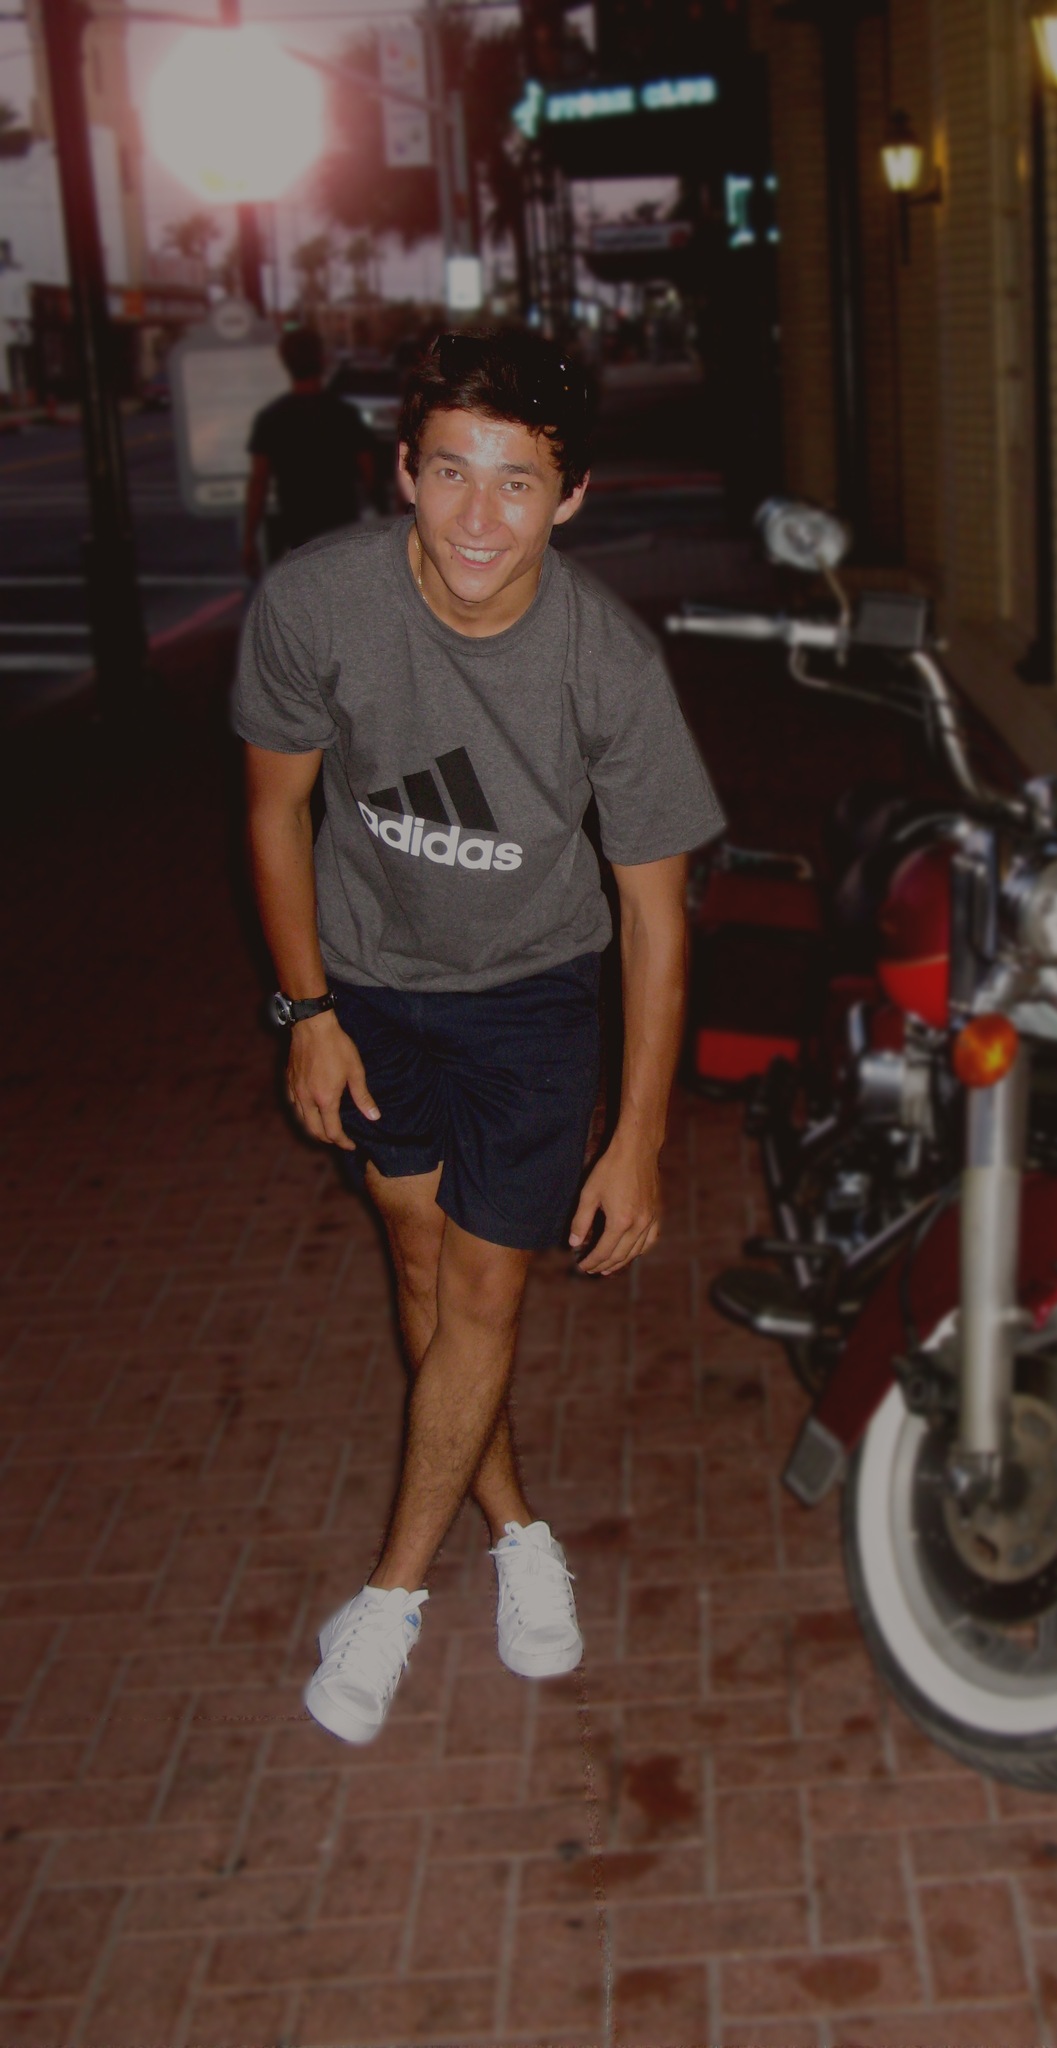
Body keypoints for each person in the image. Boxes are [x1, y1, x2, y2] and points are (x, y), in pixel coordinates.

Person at [232, 329, 725, 1745]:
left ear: (573, 497)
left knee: (486, 1294)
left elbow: (656, 919)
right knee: (423, 1266)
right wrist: (308, 1014)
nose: (478, 518)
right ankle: (516, 1530)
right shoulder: (316, 605)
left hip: (531, 994)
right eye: (451, 471)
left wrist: (638, 1137)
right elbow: (275, 811)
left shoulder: (608, 665)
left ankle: (390, 1597)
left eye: (519, 482)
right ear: (403, 468)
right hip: (371, 988)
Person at [242, 326, 376, 578]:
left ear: (285, 363)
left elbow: (258, 483)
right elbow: (370, 475)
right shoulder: (345, 415)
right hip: (342, 532)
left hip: (297, 533)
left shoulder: (271, 419)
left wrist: (249, 538)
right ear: (322, 361)